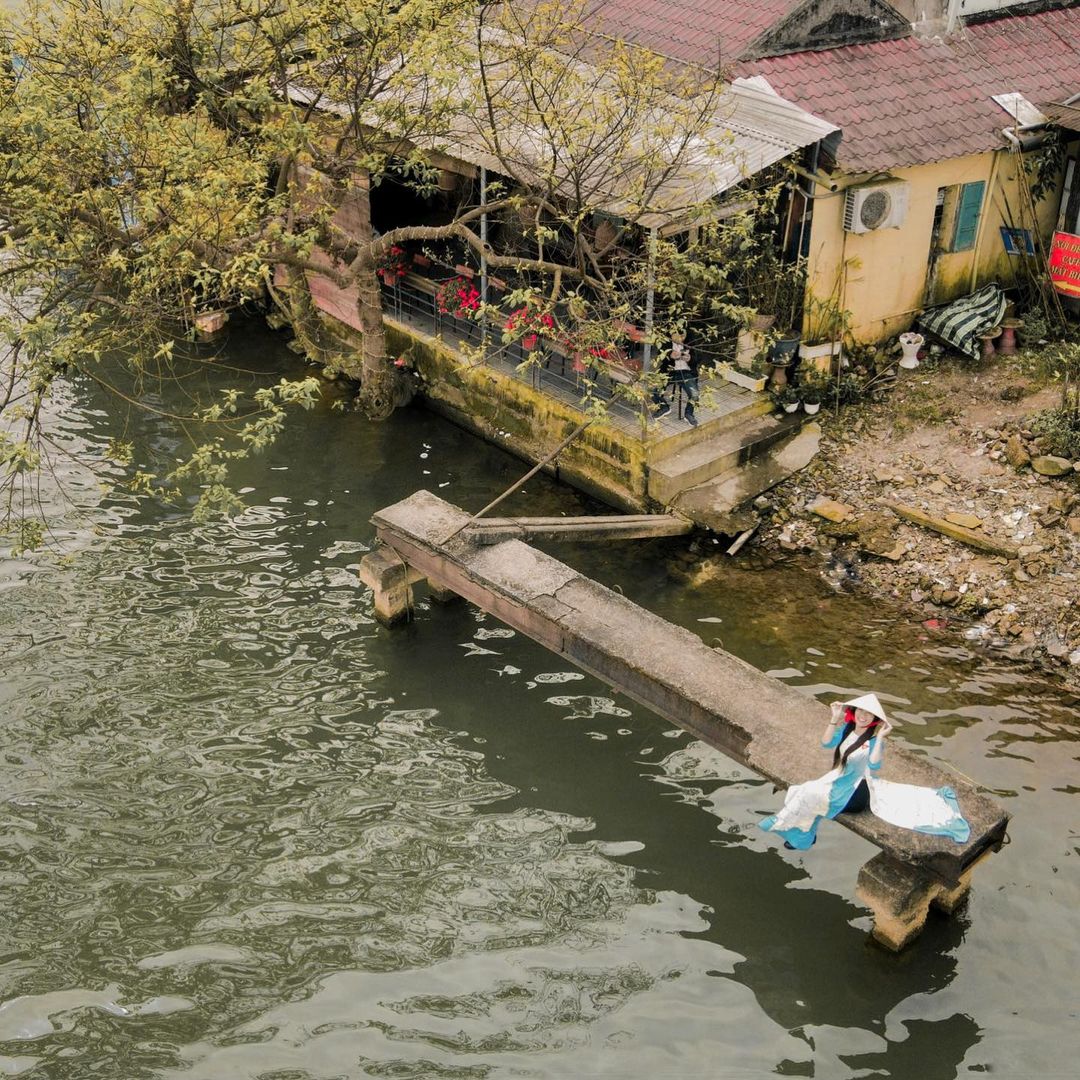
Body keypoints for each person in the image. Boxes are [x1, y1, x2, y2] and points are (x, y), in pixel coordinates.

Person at [758, 693, 971, 851]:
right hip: (840, 781)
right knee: (802, 790)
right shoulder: (846, 730)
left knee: (808, 793)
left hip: (858, 792)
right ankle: (803, 836)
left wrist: (880, 738)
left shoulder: (871, 741)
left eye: (869, 714)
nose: (863, 716)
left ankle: (794, 831)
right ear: (854, 712)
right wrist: (834, 717)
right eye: (861, 711)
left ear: (874, 720)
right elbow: (825, 743)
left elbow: (875, 766)